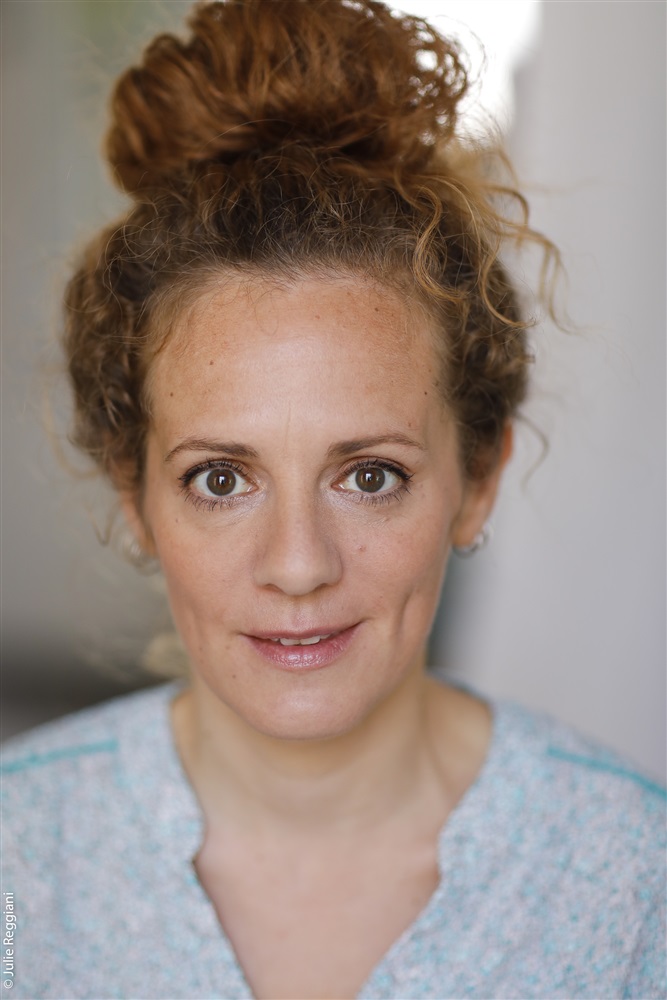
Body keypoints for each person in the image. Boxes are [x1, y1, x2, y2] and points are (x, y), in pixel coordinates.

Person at [2, 2, 665, 998]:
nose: (299, 565)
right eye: (220, 479)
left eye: (369, 476)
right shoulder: (15, 858)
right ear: (132, 496)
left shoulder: (636, 883)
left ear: (477, 480)